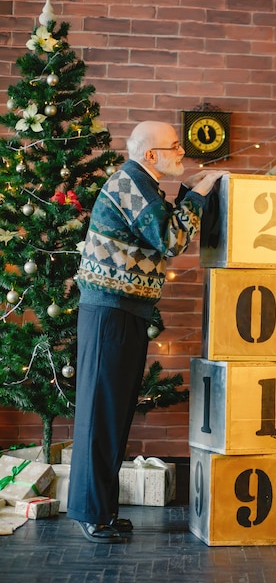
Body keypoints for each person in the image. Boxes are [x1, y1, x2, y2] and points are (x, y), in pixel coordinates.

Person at [67, 120, 227, 543]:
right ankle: (91, 513)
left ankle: (101, 510)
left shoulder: (144, 183)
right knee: (101, 414)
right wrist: (197, 194)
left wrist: (188, 190)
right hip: (109, 312)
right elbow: (171, 238)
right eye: (175, 147)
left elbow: (161, 229)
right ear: (149, 155)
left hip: (125, 310)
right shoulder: (130, 182)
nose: (182, 153)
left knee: (115, 413)